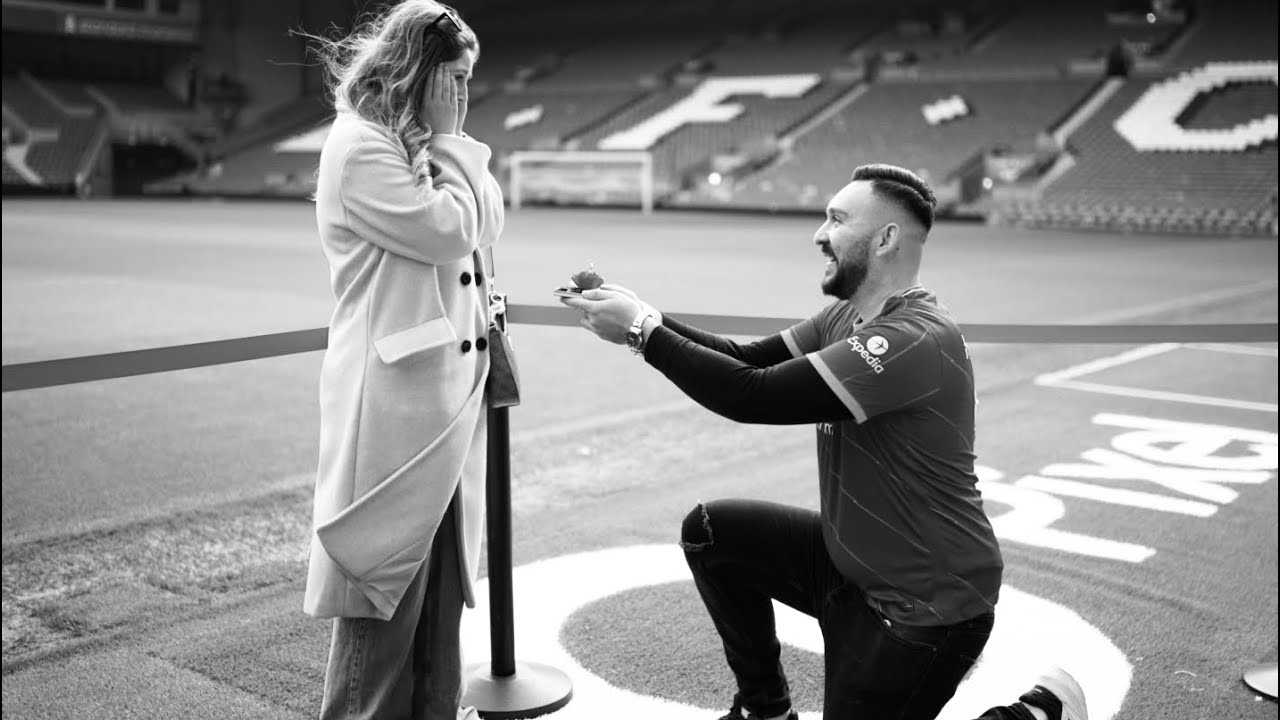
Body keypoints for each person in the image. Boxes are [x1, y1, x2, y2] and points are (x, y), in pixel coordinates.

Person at [561, 164, 1086, 720]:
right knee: (714, 535)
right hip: (852, 567)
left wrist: (643, 332)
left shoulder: (911, 339)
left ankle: (1035, 714)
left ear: (886, 239)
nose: (818, 233)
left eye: (837, 219)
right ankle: (765, 712)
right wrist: (645, 316)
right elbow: (747, 360)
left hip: (927, 606)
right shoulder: (846, 316)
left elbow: (750, 396)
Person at [304, 3, 504, 719]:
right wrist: (450, 142)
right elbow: (451, 229)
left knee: (436, 628)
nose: (463, 94)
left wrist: (445, 142)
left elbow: (487, 221)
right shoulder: (360, 146)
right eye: (455, 76)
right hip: (394, 415)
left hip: (443, 413)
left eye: (470, 78)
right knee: (381, 622)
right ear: (417, 70)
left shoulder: (412, 139)